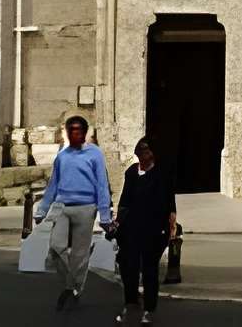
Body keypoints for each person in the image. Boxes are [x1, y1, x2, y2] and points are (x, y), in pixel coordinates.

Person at [37, 110, 113, 306]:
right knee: (56, 247)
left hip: (86, 208)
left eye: (79, 130)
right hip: (62, 206)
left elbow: (102, 185)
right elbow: (53, 184)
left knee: (80, 253)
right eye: (71, 130)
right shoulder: (62, 155)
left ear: (85, 132)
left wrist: (105, 216)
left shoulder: (95, 154)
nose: (75, 134)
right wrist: (42, 210)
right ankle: (69, 285)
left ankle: (76, 288)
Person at [114, 138, 177, 320]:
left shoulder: (162, 174)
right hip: (132, 227)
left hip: (154, 228)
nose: (143, 157)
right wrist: (117, 223)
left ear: (153, 154)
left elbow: (169, 200)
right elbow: (125, 201)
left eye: (147, 153)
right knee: (129, 266)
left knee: (150, 268)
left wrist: (171, 222)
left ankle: (149, 308)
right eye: (140, 154)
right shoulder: (131, 173)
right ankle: (130, 302)